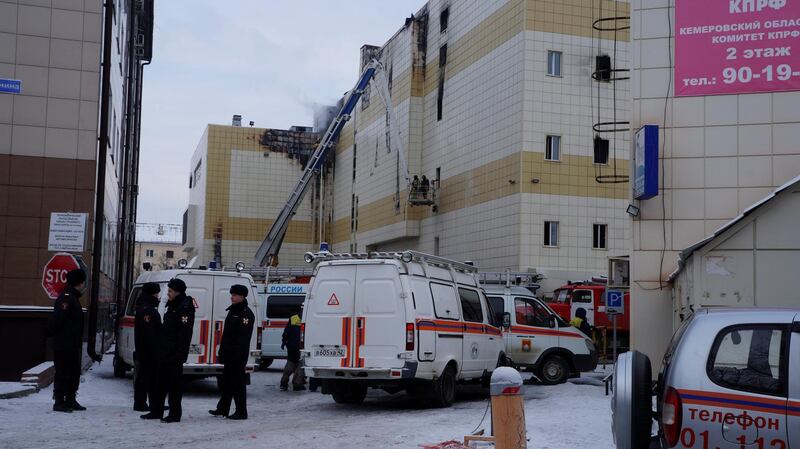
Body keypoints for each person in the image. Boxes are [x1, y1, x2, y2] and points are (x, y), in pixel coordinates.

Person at [141, 278, 194, 423]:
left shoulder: (185, 307)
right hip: (165, 352)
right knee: (160, 383)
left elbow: (184, 333)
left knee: (174, 386)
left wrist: (179, 354)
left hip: (174, 354)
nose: (167, 294)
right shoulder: (174, 305)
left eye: (170, 291)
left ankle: (174, 414)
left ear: (178, 292)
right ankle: (156, 411)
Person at [209, 284, 255, 420]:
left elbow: (242, 338)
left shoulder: (246, 314)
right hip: (227, 354)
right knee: (226, 383)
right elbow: (227, 335)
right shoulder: (233, 311)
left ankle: (241, 412)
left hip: (237, 356)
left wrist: (236, 356)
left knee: (238, 384)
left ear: (242, 296)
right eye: (232, 294)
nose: (232, 297)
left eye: (234, 295)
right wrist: (222, 352)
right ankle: (223, 408)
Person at [50, 269, 87, 413]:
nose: (84, 284)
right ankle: (59, 401)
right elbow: (58, 320)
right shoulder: (67, 298)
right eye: (83, 281)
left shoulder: (73, 297)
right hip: (64, 344)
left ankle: (70, 399)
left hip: (72, 344)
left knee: (72, 372)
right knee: (63, 373)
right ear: (79, 282)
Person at [133, 283, 162, 412]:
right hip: (148, 351)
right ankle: (140, 403)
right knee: (145, 377)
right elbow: (150, 333)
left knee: (146, 377)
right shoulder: (147, 310)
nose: (158, 296)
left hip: (144, 349)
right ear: (152, 294)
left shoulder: (144, 307)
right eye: (157, 293)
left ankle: (149, 402)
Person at [280, 312, 305, 391]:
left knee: (290, 364)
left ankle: (284, 383)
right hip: (302, 347)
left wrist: (284, 342)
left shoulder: (293, 318)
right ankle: (297, 384)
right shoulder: (308, 318)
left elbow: (286, 332)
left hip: (292, 346)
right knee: (300, 365)